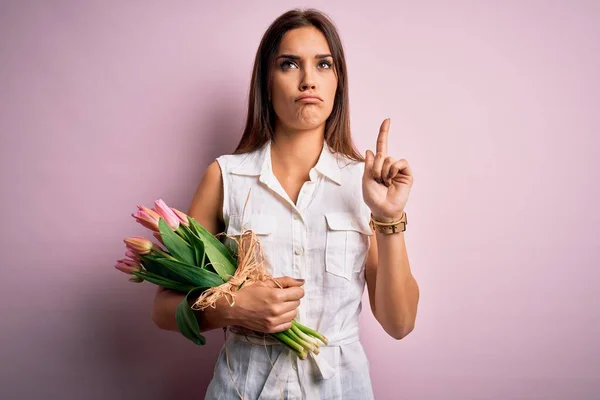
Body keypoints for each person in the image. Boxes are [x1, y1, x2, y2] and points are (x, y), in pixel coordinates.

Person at [151, 8, 419, 400]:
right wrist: (233, 308)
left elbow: (400, 323)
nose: (308, 79)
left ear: (337, 82)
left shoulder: (363, 183)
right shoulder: (225, 176)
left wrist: (388, 217)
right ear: (266, 81)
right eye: (289, 64)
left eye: (323, 64)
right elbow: (162, 309)